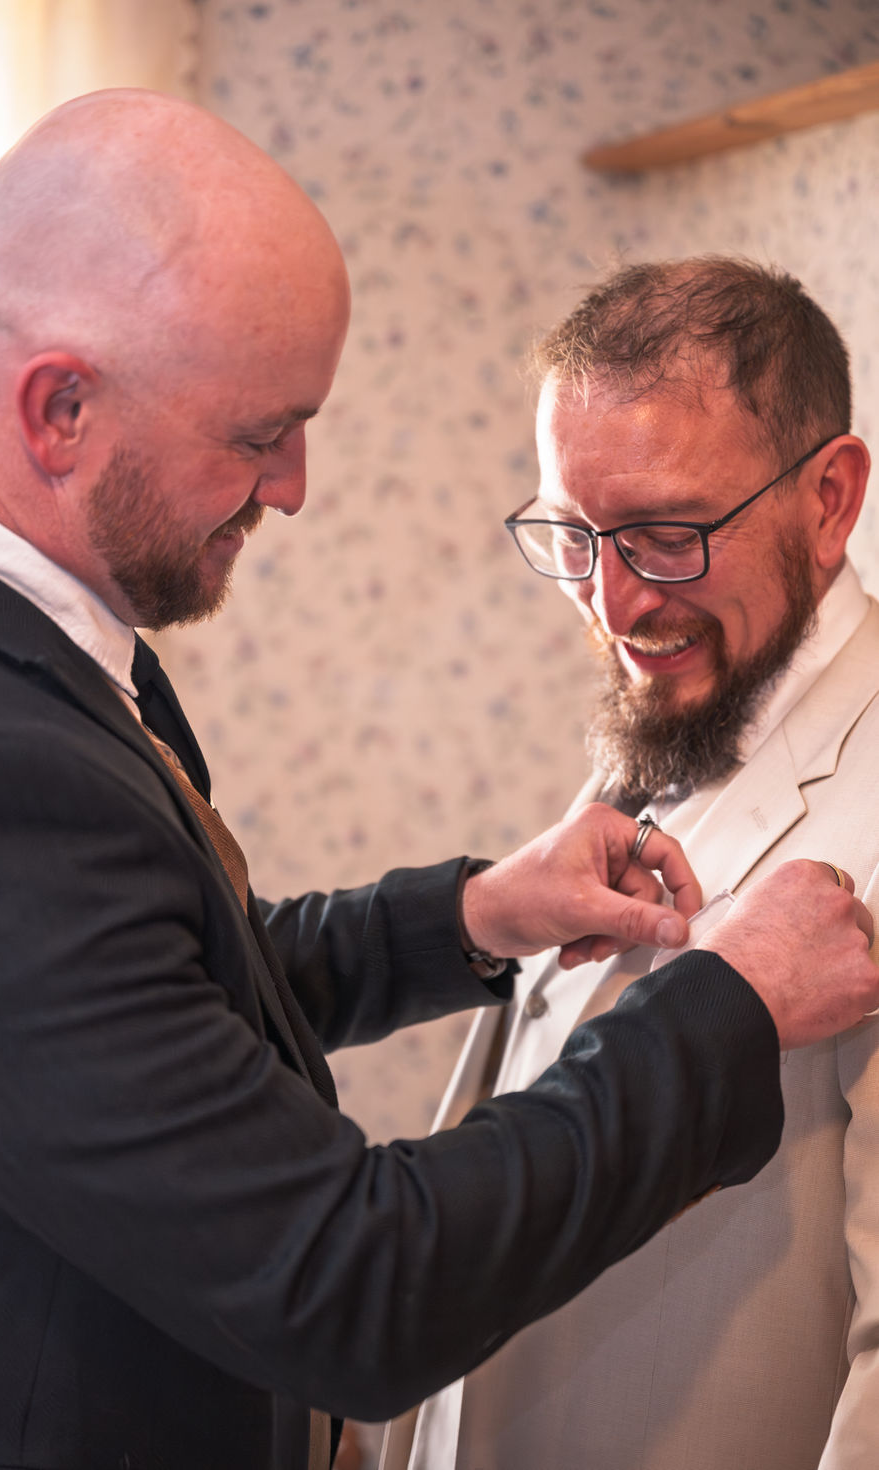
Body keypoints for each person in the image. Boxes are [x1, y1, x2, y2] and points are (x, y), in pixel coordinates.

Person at [0, 95, 873, 1470]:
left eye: (662, 532)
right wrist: (729, 1006)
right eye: (257, 432)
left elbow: (159, 993)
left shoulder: (1, 638)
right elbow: (344, 1281)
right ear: (60, 408)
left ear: (831, 495)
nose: (292, 486)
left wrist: (466, 914)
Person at [384, 257, 879, 1470]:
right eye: (571, 534)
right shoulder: (675, 721)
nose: (609, 602)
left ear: (829, 497)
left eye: (664, 534)